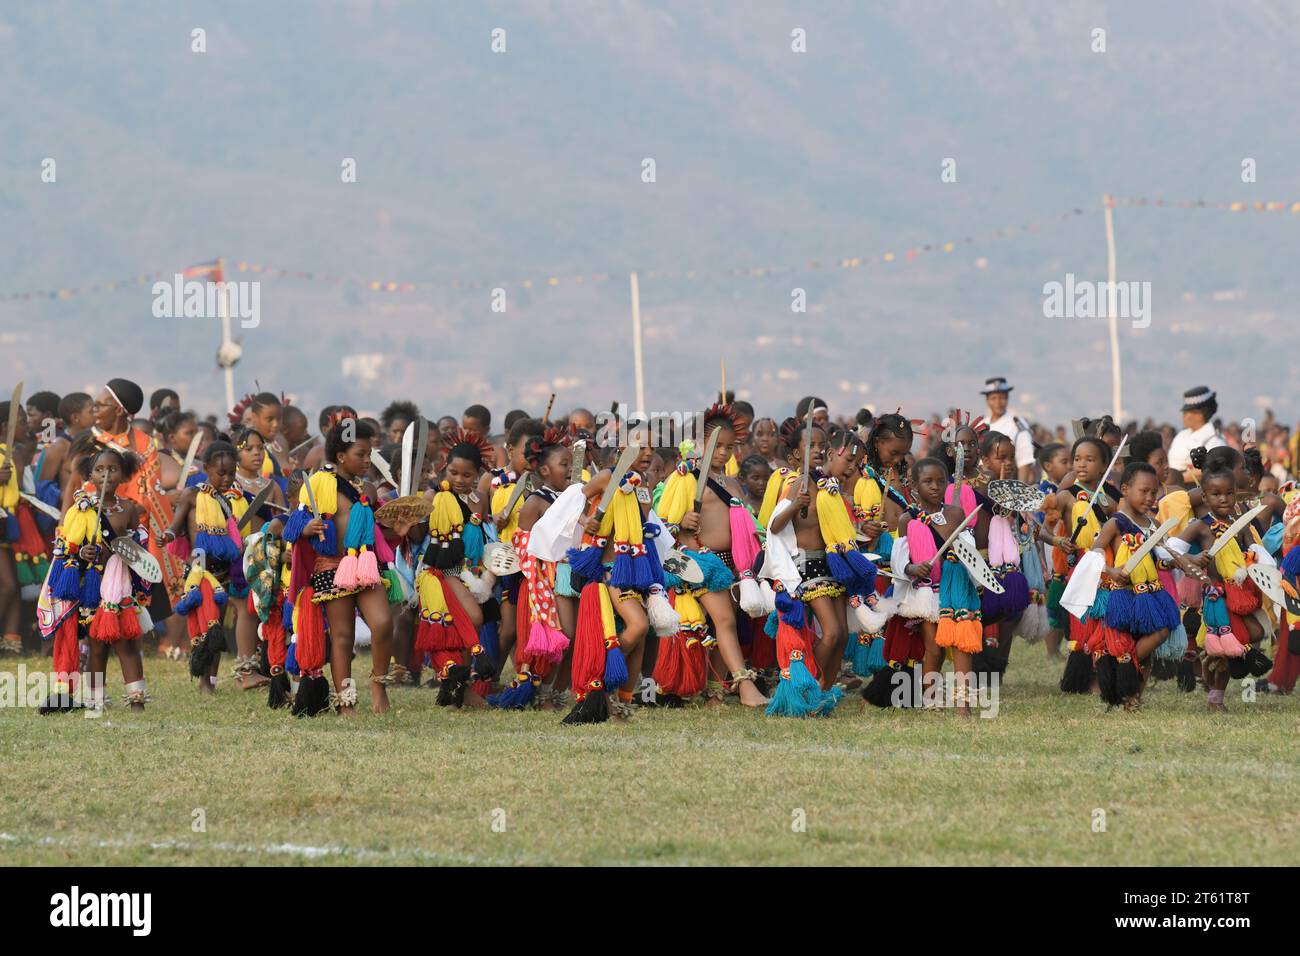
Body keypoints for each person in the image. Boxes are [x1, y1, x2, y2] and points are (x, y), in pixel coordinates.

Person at [278, 419, 397, 715]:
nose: (367, 460)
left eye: (370, 453)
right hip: (330, 566)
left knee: (383, 623)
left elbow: (377, 530)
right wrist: (308, 528)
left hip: (364, 564)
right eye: (361, 454)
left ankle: (378, 683)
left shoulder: (366, 488)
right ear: (341, 456)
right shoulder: (319, 483)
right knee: (342, 636)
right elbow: (292, 526)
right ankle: (346, 701)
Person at [40, 446, 151, 713]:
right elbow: (67, 544)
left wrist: (126, 547)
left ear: (124, 475)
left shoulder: (129, 509)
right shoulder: (82, 508)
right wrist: (82, 552)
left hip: (120, 586)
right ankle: (95, 701)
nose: (106, 475)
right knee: (96, 643)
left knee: (126, 644)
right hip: (91, 589)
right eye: (99, 470)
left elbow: (141, 546)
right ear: (90, 475)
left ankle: (137, 701)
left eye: (113, 469)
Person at [980, 377, 1035, 483]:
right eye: (994, 398)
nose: (998, 402)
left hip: (1008, 482)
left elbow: (1025, 459)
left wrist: (1021, 488)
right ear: (987, 401)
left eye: (1002, 398)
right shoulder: (981, 424)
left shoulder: (1016, 423)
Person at [1168, 386, 1225, 482]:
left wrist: (1175, 479)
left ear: (1199, 415)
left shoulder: (1214, 440)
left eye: (1186, 413)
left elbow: (1210, 471)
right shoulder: (1182, 435)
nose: (1183, 416)